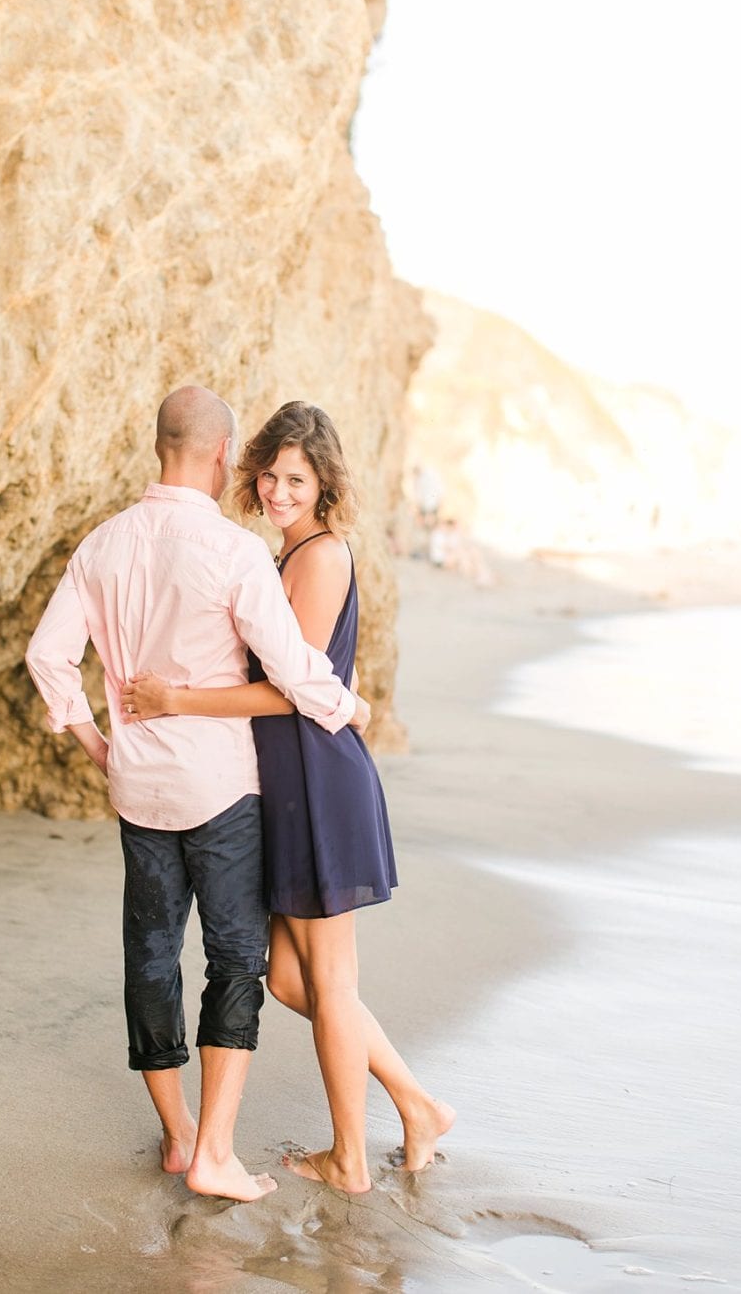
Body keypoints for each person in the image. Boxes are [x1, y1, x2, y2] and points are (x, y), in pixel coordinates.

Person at [24, 385, 368, 1203]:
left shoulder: (99, 546)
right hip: (222, 789)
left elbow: (47, 656)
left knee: (149, 960)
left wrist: (100, 746)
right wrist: (345, 704)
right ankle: (217, 1148)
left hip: (137, 786)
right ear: (222, 456)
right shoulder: (235, 552)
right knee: (235, 959)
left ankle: (178, 1134)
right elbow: (291, 665)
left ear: (158, 446)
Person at [122, 401, 455, 1194]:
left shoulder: (322, 555)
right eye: (269, 473)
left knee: (329, 981)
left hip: (316, 781)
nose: (277, 489)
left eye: (295, 478)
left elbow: (291, 691)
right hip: (290, 783)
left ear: (323, 482)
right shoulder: (287, 554)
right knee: (291, 981)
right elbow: (323, 675)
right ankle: (416, 1102)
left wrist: (178, 701)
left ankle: (349, 1158)